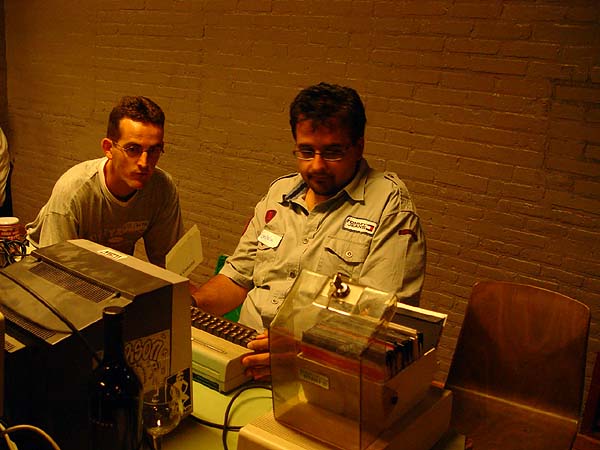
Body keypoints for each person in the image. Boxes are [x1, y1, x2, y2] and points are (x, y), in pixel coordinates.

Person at [193, 82, 426, 380]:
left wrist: (303, 352)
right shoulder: (279, 194)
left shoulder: (389, 207)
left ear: (358, 147)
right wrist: (191, 305)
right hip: (244, 351)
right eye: (306, 151)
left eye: (332, 152)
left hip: (318, 372)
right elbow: (237, 278)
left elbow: (383, 319)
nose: (317, 166)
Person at [26, 96, 183, 267]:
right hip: (42, 265)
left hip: (105, 269)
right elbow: (55, 271)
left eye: (153, 151)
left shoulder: (162, 188)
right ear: (108, 148)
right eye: (132, 149)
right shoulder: (73, 192)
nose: (144, 163)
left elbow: (169, 265)